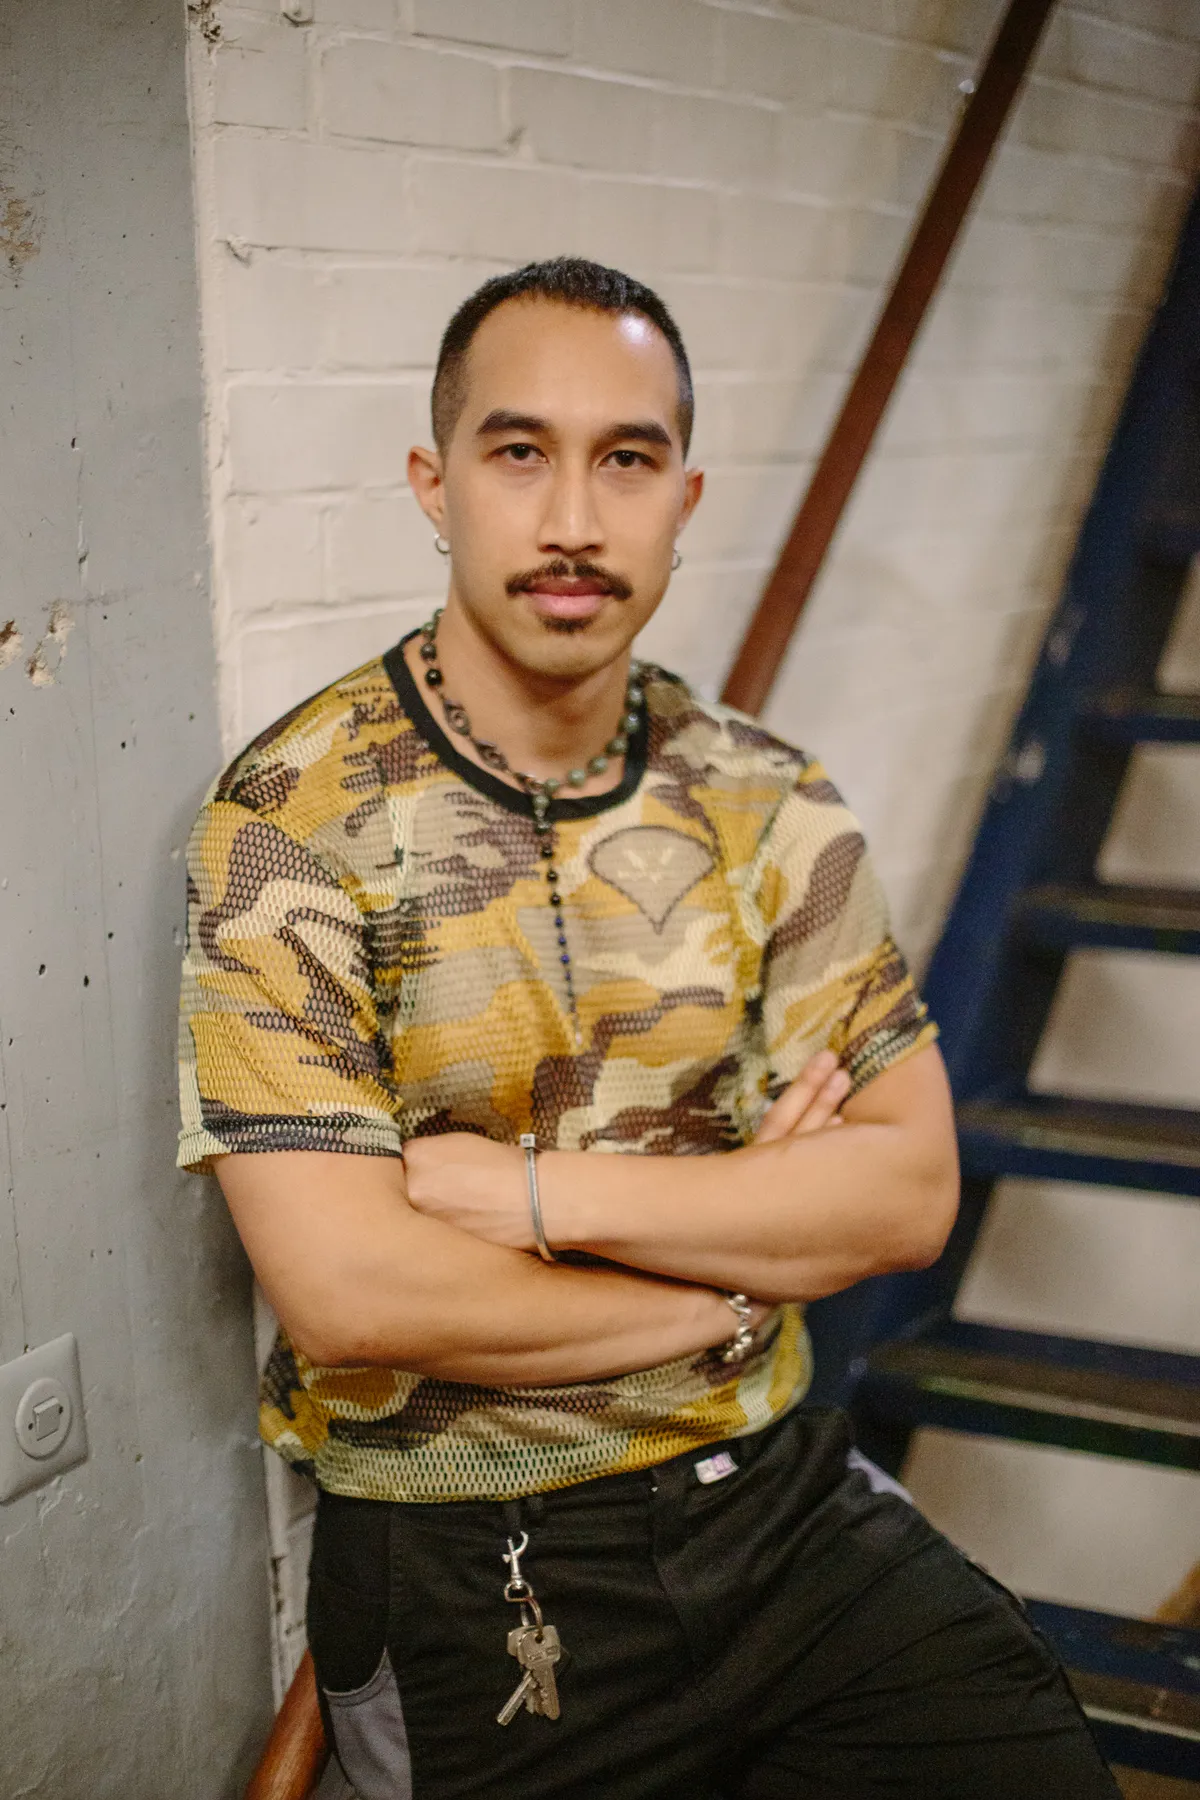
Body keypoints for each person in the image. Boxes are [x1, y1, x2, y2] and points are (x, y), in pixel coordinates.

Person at [177, 259, 1119, 1799]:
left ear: (684, 499)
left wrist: (530, 1195)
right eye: (519, 452)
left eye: (626, 459)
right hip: (477, 1556)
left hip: (781, 1502)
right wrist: (738, 1280)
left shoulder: (763, 798)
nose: (573, 517)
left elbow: (904, 1193)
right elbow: (350, 1290)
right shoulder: (295, 819)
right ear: (434, 485)